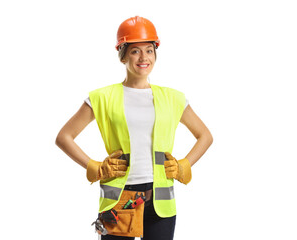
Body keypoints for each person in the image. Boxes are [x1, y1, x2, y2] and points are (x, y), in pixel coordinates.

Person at [55, 16, 213, 240]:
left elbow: (205, 136)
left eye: (149, 50)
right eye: (135, 51)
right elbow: (64, 137)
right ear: (123, 55)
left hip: (161, 204)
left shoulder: (173, 98)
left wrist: (184, 165)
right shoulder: (102, 98)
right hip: (119, 201)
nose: (144, 58)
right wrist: (95, 167)